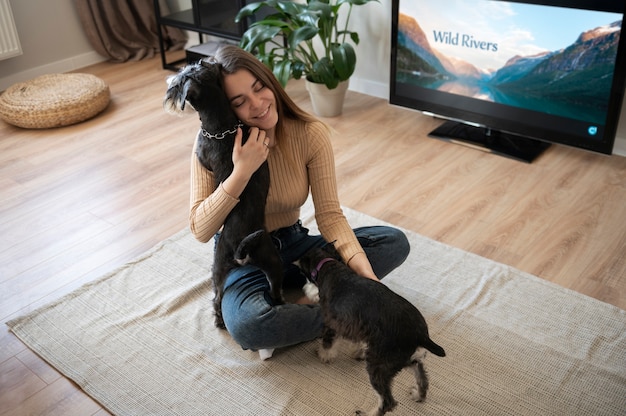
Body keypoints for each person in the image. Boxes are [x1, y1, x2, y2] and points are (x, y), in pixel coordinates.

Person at [189, 45, 410, 357]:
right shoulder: (210, 145)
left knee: (393, 242)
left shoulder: (309, 133)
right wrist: (241, 172)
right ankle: (354, 317)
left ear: (271, 82)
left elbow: (331, 216)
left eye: (259, 87)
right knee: (251, 326)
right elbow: (200, 229)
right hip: (244, 257)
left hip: (298, 247)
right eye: (240, 102)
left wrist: (371, 284)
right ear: (227, 110)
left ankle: (320, 302)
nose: (257, 104)